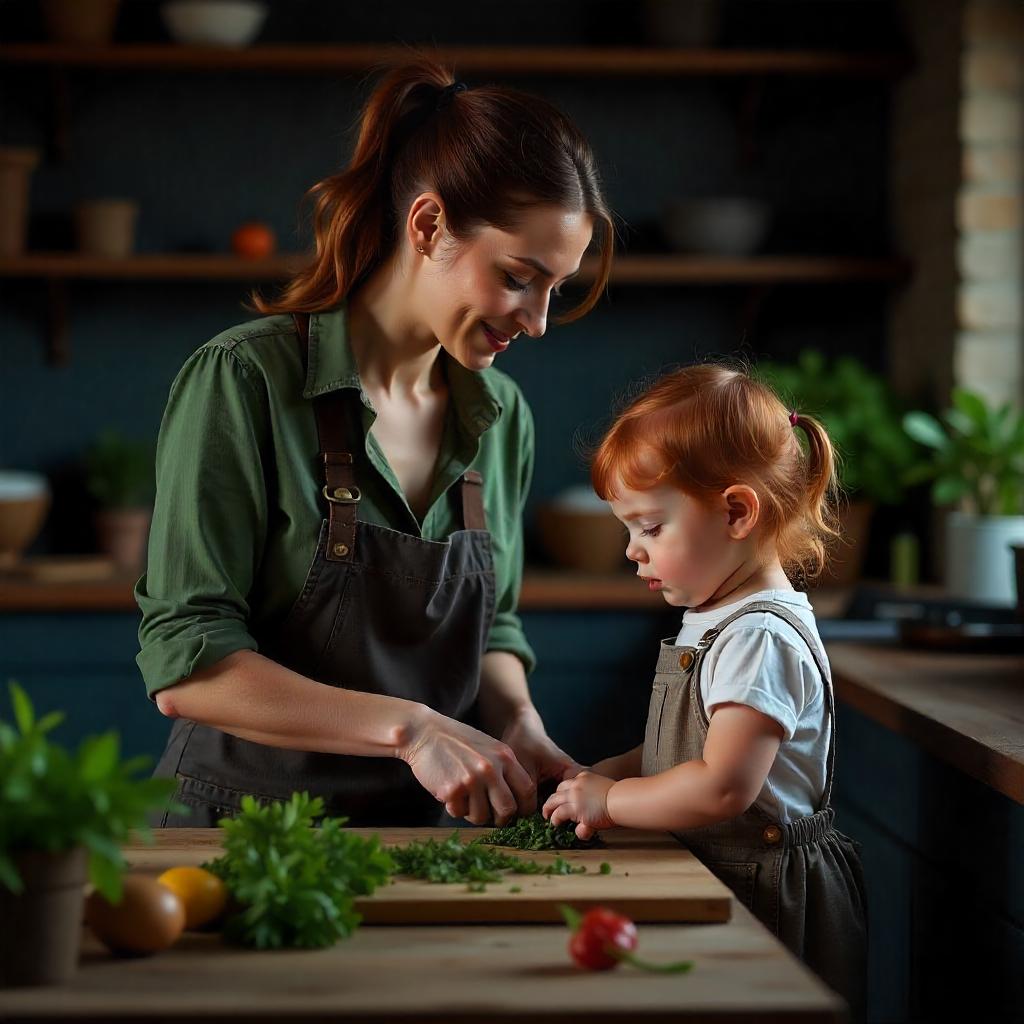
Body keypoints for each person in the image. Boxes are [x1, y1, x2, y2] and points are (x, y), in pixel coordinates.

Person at [136, 57, 615, 829]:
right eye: (520, 277)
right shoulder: (243, 380)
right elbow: (188, 662)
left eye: (555, 289)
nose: (537, 321)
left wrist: (519, 724)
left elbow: (494, 626)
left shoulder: (503, 417)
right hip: (238, 834)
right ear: (427, 226)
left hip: (422, 840)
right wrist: (411, 729)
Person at [542, 364, 867, 1018]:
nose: (633, 551)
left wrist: (614, 799)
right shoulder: (718, 619)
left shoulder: (757, 639)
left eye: (651, 527)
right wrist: (609, 774)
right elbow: (687, 749)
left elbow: (723, 786)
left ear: (736, 512)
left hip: (765, 893)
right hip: (720, 874)